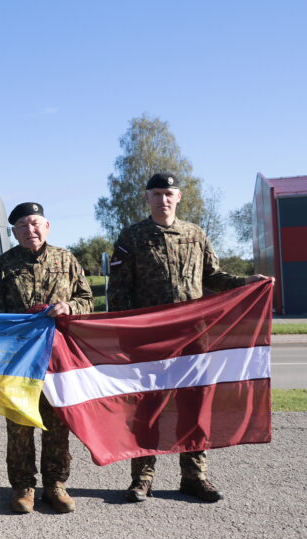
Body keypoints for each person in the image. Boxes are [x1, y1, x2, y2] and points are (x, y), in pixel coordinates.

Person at [107, 172, 272, 503]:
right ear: (147, 198)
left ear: (178, 197)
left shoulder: (195, 234)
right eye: (156, 194)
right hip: (150, 338)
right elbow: (119, 291)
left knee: (194, 405)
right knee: (147, 407)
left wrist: (245, 282)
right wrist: (125, 335)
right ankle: (142, 478)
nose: (163, 199)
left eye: (168, 194)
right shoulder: (132, 237)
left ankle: (194, 477)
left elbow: (212, 276)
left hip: (194, 337)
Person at [0, 202, 93, 513]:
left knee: (57, 422)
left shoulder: (66, 259)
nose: (30, 230)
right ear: (14, 232)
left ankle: (56, 485)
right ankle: (23, 487)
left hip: (58, 356)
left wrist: (69, 307)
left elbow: (87, 300)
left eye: (35, 223)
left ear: (47, 226)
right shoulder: (3, 265)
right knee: (20, 423)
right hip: (18, 358)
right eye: (23, 226)